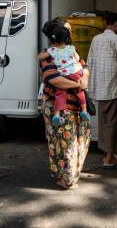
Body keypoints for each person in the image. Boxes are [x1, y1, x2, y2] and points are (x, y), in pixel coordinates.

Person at [39, 19, 90, 190]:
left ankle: (69, 174)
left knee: (80, 141)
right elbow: (55, 80)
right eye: (67, 30)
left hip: (77, 106)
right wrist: (78, 84)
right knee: (63, 143)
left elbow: (85, 67)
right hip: (59, 108)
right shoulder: (49, 55)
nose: (70, 34)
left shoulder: (71, 51)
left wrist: (84, 78)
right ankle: (67, 178)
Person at [87, 12, 117, 169]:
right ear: (116, 25)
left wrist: (91, 86)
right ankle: (109, 157)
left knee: (105, 121)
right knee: (112, 123)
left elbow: (90, 62)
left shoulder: (96, 39)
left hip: (99, 87)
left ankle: (111, 154)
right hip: (113, 87)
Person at [40, 25, 88, 126]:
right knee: (80, 92)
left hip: (64, 73)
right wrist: (79, 83)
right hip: (76, 72)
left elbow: (39, 57)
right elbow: (80, 61)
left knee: (60, 93)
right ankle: (84, 110)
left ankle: (57, 115)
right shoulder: (71, 48)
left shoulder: (52, 51)